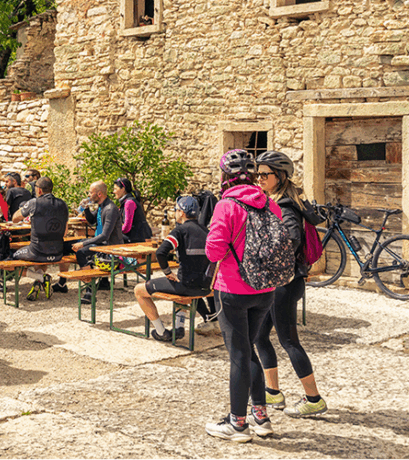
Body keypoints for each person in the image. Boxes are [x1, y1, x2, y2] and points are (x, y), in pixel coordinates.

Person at [204, 148, 281, 443]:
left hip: (233, 288)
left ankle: (237, 424)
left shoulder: (226, 205)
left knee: (238, 354)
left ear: (225, 177)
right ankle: (260, 416)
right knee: (249, 349)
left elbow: (214, 250)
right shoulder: (269, 204)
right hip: (266, 289)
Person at [253, 150, 328, 418]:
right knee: (260, 336)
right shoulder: (276, 200)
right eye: (257, 173)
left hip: (285, 282)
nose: (259, 178)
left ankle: (314, 399)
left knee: (289, 341)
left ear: (280, 176)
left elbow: (291, 239)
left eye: (264, 174)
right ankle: (273, 393)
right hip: (281, 281)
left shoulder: (285, 205)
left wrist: (265, 258)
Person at [133, 196, 211, 341]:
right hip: (204, 286)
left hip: (185, 285)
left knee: (138, 290)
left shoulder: (180, 231)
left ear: (181, 212)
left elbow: (161, 252)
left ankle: (161, 331)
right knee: (180, 285)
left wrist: (168, 273)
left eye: (176, 210)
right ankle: (178, 328)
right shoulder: (207, 231)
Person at [11, 177, 70, 300]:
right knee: (41, 259)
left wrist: (22, 211)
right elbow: (65, 232)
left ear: (39, 190)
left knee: (11, 258)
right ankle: (39, 281)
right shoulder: (62, 204)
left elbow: (15, 219)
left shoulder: (34, 202)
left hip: (37, 251)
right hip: (57, 252)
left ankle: (40, 278)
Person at [71, 180, 124, 303]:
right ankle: (66, 282)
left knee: (81, 252)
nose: (88, 195)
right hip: (100, 243)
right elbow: (92, 221)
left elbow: (105, 236)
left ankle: (90, 290)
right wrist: (87, 209)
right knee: (69, 245)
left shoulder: (110, 209)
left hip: (109, 247)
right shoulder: (102, 206)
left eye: (90, 192)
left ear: (99, 194)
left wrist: (84, 243)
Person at [113, 177, 153, 243]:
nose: (113, 192)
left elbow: (126, 228)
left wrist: (114, 231)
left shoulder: (129, 202)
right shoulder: (126, 202)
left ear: (123, 189)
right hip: (135, 237)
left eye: (115, 189)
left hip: (138, 239)